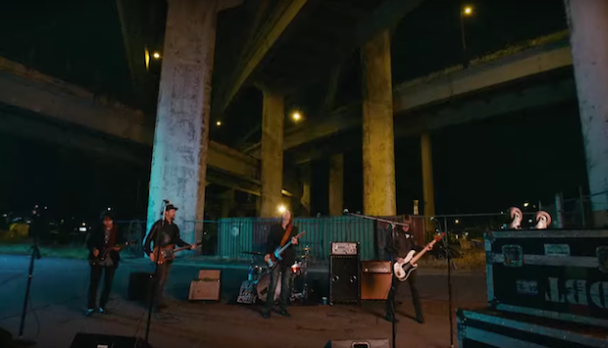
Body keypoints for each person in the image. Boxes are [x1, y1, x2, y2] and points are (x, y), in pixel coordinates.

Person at [144, 203, 196, 313]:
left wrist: (188, 247)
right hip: (159, 252)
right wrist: (150, 253)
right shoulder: (158, 225)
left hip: (169, 252)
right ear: (166, 212)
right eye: (172, 211)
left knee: (164, 278)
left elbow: (177, 240)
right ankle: (157, 302)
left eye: (174, 211)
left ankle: (158, 300)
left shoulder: (174, 227)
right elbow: (148, 240)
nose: (174, 213)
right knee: (160, 277)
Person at [385, 222, 430, 324]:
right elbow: (388, 248)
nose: (406, 227)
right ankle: (389, 313)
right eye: (404, 225)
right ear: (400, 225)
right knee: (394, 289)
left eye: (407, 226)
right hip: (399, 265)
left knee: (414, 289)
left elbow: (414, 247)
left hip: (411, 265)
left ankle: (419, 315)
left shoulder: (410, 236)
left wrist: (424, 248)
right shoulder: (395, 234)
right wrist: (396, 258)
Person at [261, 209, 300, 319]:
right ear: (281, 215)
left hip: (287, 260)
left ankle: (283, 308)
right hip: (276, 259)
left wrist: (295, 242)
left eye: (288, 213)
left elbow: (296, 243)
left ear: (290, 216)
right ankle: (267, 309)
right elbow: (269, 241)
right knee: (273, 284)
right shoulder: (275, 228)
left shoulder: (294, 229)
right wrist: (268, 253)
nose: (286, 214)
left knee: (285, 285)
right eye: (284, 213)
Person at [86, 212, 122, 316]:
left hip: (111, 260)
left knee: (108, 284)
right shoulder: (97, 229)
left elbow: (121, 241)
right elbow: (89, 242)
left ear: (112, 221)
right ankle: (91, 307)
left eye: (109, 220)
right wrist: (93, 249)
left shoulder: (117, 230)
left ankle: (102, 305)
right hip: (97, 260)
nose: (107, 223)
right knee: (94, 283)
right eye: (105, 220)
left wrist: (119, 247)